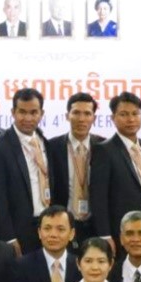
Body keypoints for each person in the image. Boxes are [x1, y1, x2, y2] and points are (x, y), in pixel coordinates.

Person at [0, 87, 52, 254]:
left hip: (49, 228)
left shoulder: (47, 144)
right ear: (13, 113)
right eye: (22, 112)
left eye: (33, 112)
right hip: (19, 232)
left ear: (41, 114)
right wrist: (9, 237)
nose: (28, 118)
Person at [90, 92, 141, 240]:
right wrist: (105, 235)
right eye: (124, 114)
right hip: (122, 232)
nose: (131, 119)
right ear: (113, 118)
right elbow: (98, 197)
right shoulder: (104, 150)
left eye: (135, 114)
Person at [47, 93, 104, 229]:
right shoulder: (51, 147)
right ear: (67, 116)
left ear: (94, 118)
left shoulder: (104, 147)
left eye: (87, 114)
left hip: (96, 224)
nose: (81, 119)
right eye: (76, 113)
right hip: (62, 223)